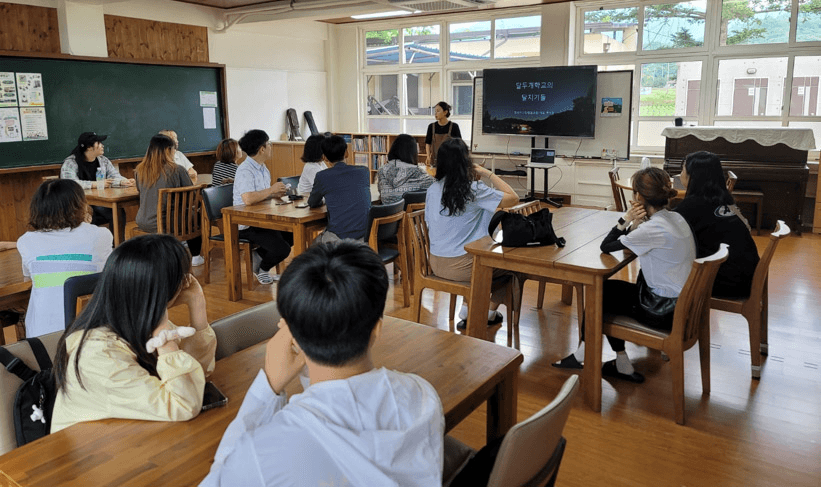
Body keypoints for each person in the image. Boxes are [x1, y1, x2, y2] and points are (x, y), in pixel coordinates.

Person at [201, 240, 444, 487]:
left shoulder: (264, 452)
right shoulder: (423, 397)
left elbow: (218, 479)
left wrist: (268, 388)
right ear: (377, 330)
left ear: (291, 337)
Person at [51, 234, 217, 433]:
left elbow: (197, 372)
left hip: (128, 439)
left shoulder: (132, 320)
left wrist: (197, 304)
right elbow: (183, 403)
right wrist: (163, 336)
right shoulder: (98, 353)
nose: (185, 283)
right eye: (181, 279)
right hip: (93, 456)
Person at [554, 167, 695, 383]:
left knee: (602, 292)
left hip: (661, 311)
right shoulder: (677, 218)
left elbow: (607, 245)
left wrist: (626, 218)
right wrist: (637, 224)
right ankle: (620, 363)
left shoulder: (653, 229)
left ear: (638, 196)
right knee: (610, 291)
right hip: (682, 305)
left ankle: (586, 355)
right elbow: (635, 245)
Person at [425, 138, 520, 330]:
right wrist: (488, 173)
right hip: (464, 267)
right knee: (516, 268)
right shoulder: (473, 190)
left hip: (435, 263)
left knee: (479, 247)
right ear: (466, 161)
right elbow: (514, 198)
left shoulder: (432, 189)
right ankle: (489, 312)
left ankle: (468, 307)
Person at [16, 179, 112, 337]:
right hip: (90, 332)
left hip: (43, 337)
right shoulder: (101, 235)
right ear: (81, 205)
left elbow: (29, 280)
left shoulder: (26, 241)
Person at [675, 151, 760, 298]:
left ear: (693, 176)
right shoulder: (723, 198)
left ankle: (677, 316)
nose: (680, 174)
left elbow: (663, 230)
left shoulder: (692, 206)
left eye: (682, 170)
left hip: (728, 283)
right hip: (749, 277)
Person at [234, 129, 293, 284]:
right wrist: (271, 190)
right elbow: (247, 199)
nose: (271, 147)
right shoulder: (245, 170)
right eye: (269, 144)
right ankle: (263, 268)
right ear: (262, 149)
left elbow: (262, 195)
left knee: (291, 234)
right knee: (283, 249)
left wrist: (276, 193)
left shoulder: (263, 168)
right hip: (247, 223)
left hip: (262, 218)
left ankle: (258, 256)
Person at [135, 134, 204, 267]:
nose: (174, 153)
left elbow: (140, 191)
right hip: (168, 223)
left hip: (143, 220)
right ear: (168, 150)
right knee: (196, 215)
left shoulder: (140, 170)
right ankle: (195, 256)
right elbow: (192, 196)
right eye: (174, 150)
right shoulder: (177, 169)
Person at [60, 131, 135, 230]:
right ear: (89, 147)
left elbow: (114, 176)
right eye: (99, 143)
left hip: (100, 200)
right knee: (92, 215)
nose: (102, 146)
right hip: (78, 203)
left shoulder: (103, 160)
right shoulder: (71, 162)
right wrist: (95, 184)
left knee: (118, 212)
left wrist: (123, 181)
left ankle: (116, 244)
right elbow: (70, 184)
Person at [308, 134, 371, 242]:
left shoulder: (322, 176)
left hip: (339, 237)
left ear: (324, 157)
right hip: (365, 236)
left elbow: (312, 202)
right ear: (346, 153)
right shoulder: (364, 171)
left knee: (313, 246)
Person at [377, 133, 435, 204]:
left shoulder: (382, 170)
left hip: (388, 212)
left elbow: (381, 191)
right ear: (413, 152)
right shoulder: (417, 171)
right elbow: (434, 184)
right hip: (410, 213)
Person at [425, 101, 462, 167]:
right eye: (435, 111)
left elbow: (459, 145)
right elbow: (428, 143)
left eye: (438, 111)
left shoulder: (454, 126)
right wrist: (428, 157)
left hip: (450, 163)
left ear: (445, 112)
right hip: (435, 162)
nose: (435, 113)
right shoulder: (431, 126)